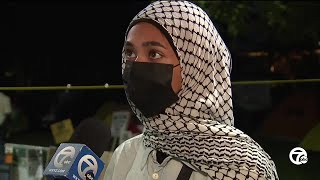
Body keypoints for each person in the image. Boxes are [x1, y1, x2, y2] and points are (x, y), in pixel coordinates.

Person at [104, 1, 278, 180]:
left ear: (196, 66)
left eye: (154, 53)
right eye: (130, 53)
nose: (136, 66)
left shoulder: (245, 168)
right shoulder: (125, 155)